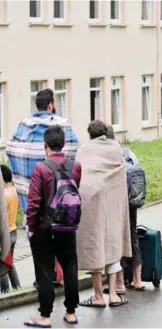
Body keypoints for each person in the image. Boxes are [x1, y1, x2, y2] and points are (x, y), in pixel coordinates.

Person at [6, 89, 78, 288]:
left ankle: (43, 280)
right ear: (50, 105)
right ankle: (59, 277)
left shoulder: (23, 126)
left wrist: (23, 179)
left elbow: (11, 150)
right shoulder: (61, 126)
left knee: (38, 243)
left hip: (33, 199)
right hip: (60, 200)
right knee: (63, 244)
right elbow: (74, 153)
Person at [23, 125, 81, 327]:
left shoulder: (41, 168)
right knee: (70, 267)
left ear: (45, 145)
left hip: (44, 227)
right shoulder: (75, 166)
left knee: (45, 270)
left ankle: (45, 316)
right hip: (68, 225)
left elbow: (34, 202)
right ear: (63, 144)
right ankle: (71, 312)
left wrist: (31, 225)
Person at [77, 120, 130, 308]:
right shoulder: (116, 148)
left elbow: (78, 172)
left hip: (90, 202)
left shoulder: (84, 149)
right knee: (112, 245)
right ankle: (114, 294)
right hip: (113, 202)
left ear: (90, 134)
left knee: (94, 245)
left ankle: (98, 296)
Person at [105, 125, 144, 293]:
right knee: (132, 236)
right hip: (132, 201)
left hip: (115, 202)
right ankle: (138, 280)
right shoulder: (128, 153)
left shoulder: (107, 155)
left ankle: (119, 282)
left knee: (115, 238)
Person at [0, 165, 21, 294]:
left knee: (2, 265)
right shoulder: (14, 191)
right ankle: (17, 288)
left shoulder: (4, 196)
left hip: (4, 233)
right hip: (13, 230)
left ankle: (5, 293)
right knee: (9, 263)